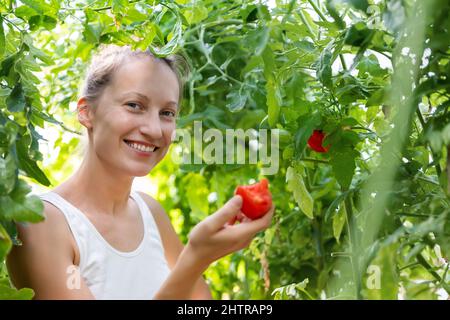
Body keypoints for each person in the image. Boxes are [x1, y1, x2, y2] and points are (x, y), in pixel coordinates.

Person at [6, 45, 274, 300]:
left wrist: (200, 255)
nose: (155, 130)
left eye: (167, 113)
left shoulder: (150, 212)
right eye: (135, 105)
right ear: (86, 112)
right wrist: (197, 257)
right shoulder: (41, 223)